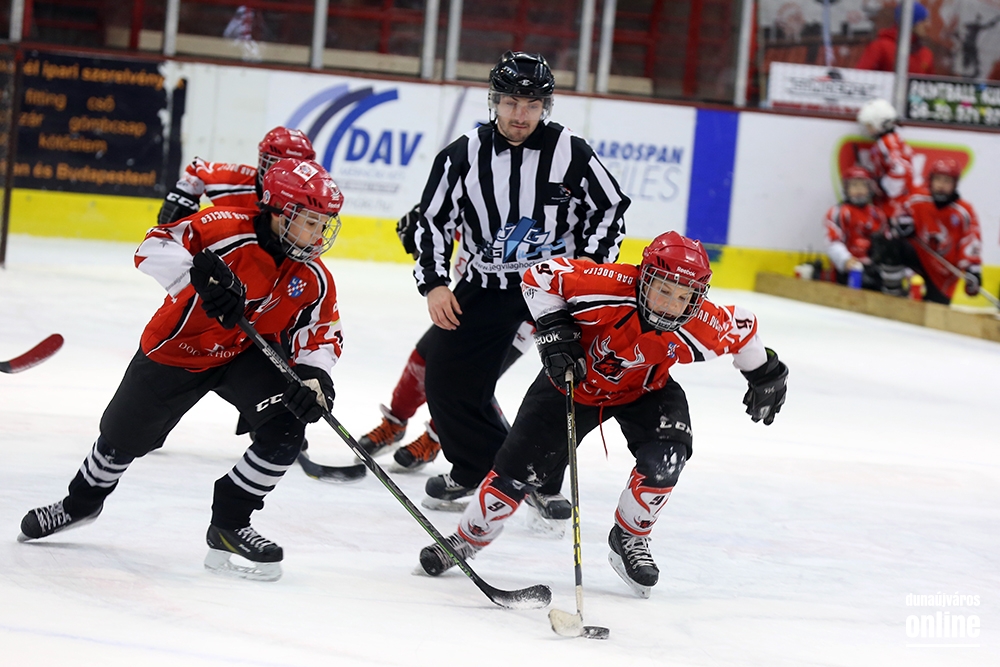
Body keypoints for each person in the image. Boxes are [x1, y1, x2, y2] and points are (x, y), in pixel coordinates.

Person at [18, 158, 345, 582]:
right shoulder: (224, 228)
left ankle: (230, 524)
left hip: (245, 353)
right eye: (311, 222)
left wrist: (315, 378)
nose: (319, 234)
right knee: (120, 440)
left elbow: (322, 333)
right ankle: (80, 504)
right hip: (179, 348)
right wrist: (199, 280)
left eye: (325, 224)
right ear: (280, 212)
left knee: (287, 426)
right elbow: (152, 246)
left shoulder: (314, 276)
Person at [416, 232, 788, 597]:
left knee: (668, 457)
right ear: (643, 277)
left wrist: (765, 373)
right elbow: (538, 276)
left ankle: (630, 536)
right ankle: (465, 540)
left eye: (683, 296)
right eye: (663, 289)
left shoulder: (701, 322)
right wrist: (554, 327)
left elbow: (744, 328)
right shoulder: (605, 285)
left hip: (646, 390)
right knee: (517, 471)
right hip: (571, 384)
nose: (671, 305)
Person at [412, 51, 630, 511]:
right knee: (447, 378)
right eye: (511, 102)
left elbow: (609, 209)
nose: (521, 114)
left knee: (560, 383)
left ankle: (542, 481)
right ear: (495, 101)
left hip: (554, 288)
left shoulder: (570, 152)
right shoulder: (463, 155)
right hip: (486, 284)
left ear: (545, 107)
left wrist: (587, 271)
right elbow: (431, 220)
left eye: (532, 105)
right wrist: (434, 282)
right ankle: (480, 468)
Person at [158, 126, 315, 226]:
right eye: (276, 165)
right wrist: (184, 195)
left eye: (294, 169)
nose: (283, 176)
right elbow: (197, 168)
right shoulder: (235, 180)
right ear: (262, 161)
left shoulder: (312, 202)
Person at [888, 159, 983, 304]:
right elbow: (899, 214)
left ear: (955, 184)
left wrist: (973, 271)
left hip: (943, 275)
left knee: (936, 311)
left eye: (947, 181)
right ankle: (892, 293)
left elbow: (971, 241)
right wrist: (903, 223)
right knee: (889, 244)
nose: (941, 185)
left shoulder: (964, 211)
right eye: (938, 179)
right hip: (919, 258)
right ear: (931, 180)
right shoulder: (917, 200)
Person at [823, 165, 889, 290]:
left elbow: (886, 241)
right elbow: (833, 242)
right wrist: (845, 260)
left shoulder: (877, 214)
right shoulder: (838, 212)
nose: (859, 190)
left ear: (869, 188)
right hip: (847, 269)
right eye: (854, 185)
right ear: (846, 188)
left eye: (863, 185)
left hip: (873, 268)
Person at [856, 98, 916, 218]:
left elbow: (900, 169)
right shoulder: (890, 140)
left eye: (869, 125)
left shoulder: (888, 142)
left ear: (880, 124)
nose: (867, 129)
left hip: (895, 203)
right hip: (895, 200)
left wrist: (883, 185)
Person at [856, 2, 934, 75]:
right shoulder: (881, 47)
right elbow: (860, 76)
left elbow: (930, 83)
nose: (928, 25)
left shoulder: (925, 54)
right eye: (923, 20)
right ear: (911, 22)